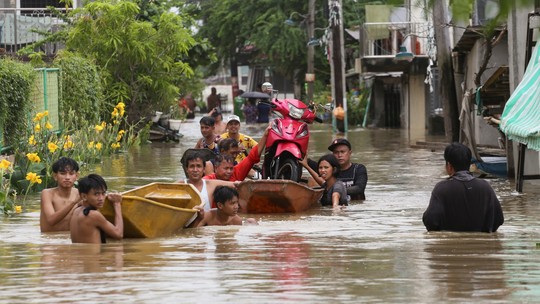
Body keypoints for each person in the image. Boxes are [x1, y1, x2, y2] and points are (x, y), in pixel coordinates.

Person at [422, 143, 504, 232]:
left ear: (449, 166)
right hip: (480, 244)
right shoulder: (485, 187)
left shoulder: (441, 189)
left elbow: (430, 221)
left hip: (450, 244)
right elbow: (498, 219)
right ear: (469, 165)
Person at [70, 174, 123, 244]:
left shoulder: (76, 211)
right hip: (95, 255)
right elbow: (118, 234)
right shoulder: (93, 215)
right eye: (96, 194)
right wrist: (117, 204)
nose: (101, 198)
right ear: (84, 196)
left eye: (103, 193)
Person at [205, 125, 270, 181]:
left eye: (231, 168)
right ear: (216, 168)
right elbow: (209, 184)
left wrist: (265, 135)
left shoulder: (237, 168)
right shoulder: (210, 165)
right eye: (225, 168)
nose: (229, 171)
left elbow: (252, 157)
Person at [40, 157, 81, 232]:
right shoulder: (47, 194)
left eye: (71, 174)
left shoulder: (79, 194)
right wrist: (74, 202)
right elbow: (51, 220)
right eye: (63, 173)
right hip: (50, 240)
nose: (67, 177)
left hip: (71, 240)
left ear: (77, 176)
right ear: (55, 176)